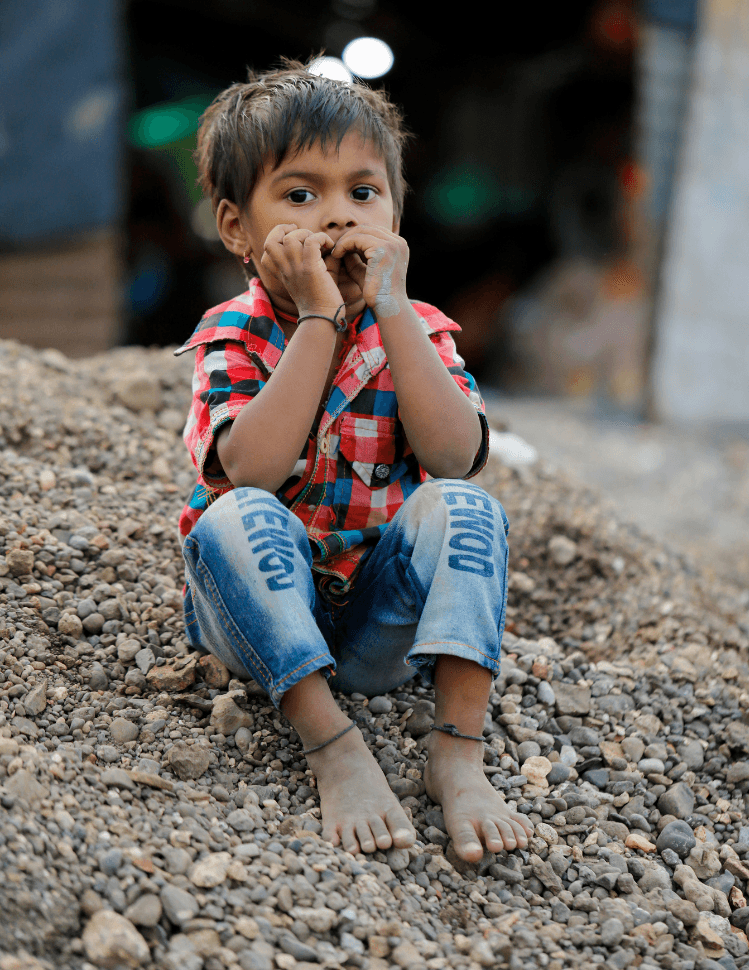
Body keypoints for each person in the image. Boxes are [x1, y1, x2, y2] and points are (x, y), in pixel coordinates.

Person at [174, 58, 532, 863]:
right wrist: (318, 321)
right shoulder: (236, 333)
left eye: (362, 193)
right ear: (237, 227)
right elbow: (254, 472)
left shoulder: (421, 330)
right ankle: (331, 743)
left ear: (396, 211)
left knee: (468, 509)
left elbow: (455, 456)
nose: (337, 217)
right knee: (240, 514)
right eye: (300, 195)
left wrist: (393, 311)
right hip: (259, 620)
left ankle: (457, 749)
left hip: (376, 629)